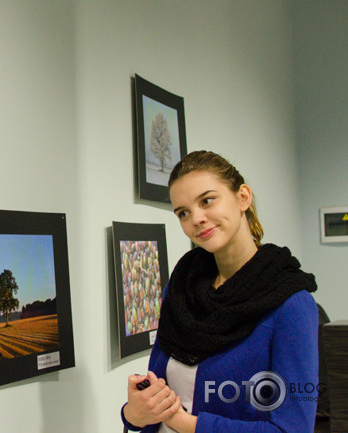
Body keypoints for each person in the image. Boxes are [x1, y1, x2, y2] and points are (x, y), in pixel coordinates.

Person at [121, 150, 318, 433]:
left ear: (243, 197)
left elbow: (293, 429)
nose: (197, 219)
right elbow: (155, 394)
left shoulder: (292, 303)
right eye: (183, 213)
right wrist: (134, 413)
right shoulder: (181, 287)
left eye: (207, 200)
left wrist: (186, 424)